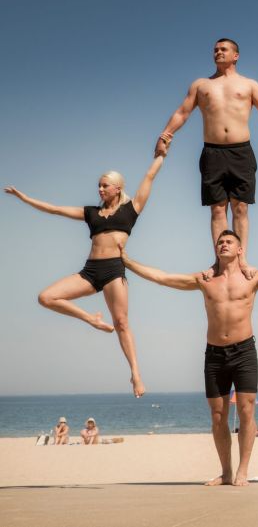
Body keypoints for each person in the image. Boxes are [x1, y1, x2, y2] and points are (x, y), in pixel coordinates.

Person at [121, 231, 258, 486]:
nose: (223, 244)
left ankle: (243, 470)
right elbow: (163, 278)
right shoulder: (205, 279)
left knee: (246, 410)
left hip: (244, 353)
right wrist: (127, 262)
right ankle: (226, 471)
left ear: (240, 250)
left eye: (229, 241)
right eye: (220, 242)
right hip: (214, 354)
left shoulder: (254, 278)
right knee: (218, 415)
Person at [5, 156, 165, 397]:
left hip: (113, 270)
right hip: (90, 271)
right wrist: (24, 198)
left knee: (121, 323)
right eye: (98, 186)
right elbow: (56, 209)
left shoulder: (131, 209)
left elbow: (149, 177)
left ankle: (136, 374)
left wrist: (160, 156)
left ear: (117, 188)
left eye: (104, 186)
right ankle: (91, 319)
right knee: (46, 297)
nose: (100, 189)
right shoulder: (91, 212)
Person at [154, 38, 258, 273]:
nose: (218, 53)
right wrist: (165, 137)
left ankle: (241, 259)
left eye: (223, 50)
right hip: (212, 152)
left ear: (236, 55)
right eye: (215, 50)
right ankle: (219, 261)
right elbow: (182, 112)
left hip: (241, 151)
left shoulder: (249, 85)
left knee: (241, 207)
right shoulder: (201, 85)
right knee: (217, 209)